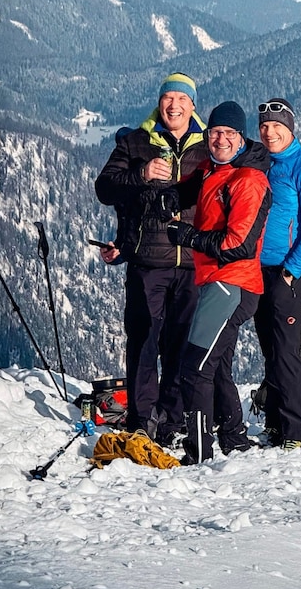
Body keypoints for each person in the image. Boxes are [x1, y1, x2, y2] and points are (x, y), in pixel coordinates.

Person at [94, 72, 207, 446]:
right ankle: (142, 419)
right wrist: (140, 174)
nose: (173, 105)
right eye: (168, 98)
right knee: (143, 342)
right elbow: (105, 188)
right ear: (159, 102)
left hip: (194, 263)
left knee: (180, 345)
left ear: (193, 106)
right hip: (147, 263)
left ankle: (171, 420)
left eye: (181, 99)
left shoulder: (208, 146)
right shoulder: (135, 142)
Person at [157, 101, 272, 464]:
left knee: (195, 368)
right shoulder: (213, 167)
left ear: (241, 138)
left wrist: (188, 237)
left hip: (232, 284)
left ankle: (199, 452)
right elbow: (194, 185)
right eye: (215, 133)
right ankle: (233, 437)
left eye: (228, 134)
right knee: (217, 363)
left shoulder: (249, 181)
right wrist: (172, 196)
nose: (220, 139)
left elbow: (238, 245)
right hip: (217, 282)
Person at [254, 97, 301, 450]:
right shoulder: (263, 162)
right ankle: (274, 423)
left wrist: (291, 270)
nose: (270, 132)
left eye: (277, 126)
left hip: (288, 271)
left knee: (287, 350)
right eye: (265, 126)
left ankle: (296, 431)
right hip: (256, 268)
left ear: (290, 129)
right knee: (269, 347)